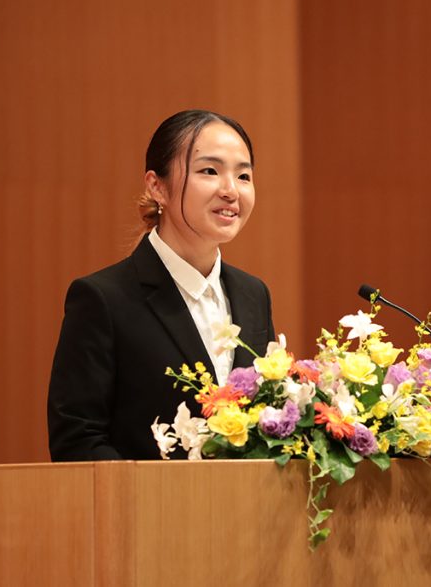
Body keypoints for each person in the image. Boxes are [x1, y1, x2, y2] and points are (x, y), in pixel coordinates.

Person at [47, 110, 274, 461]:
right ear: (157, 187)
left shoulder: (253, 294)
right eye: (209, 171)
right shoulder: (104, 299)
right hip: (148, 513)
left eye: (243, 175)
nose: (231, 190)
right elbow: (78, 440)